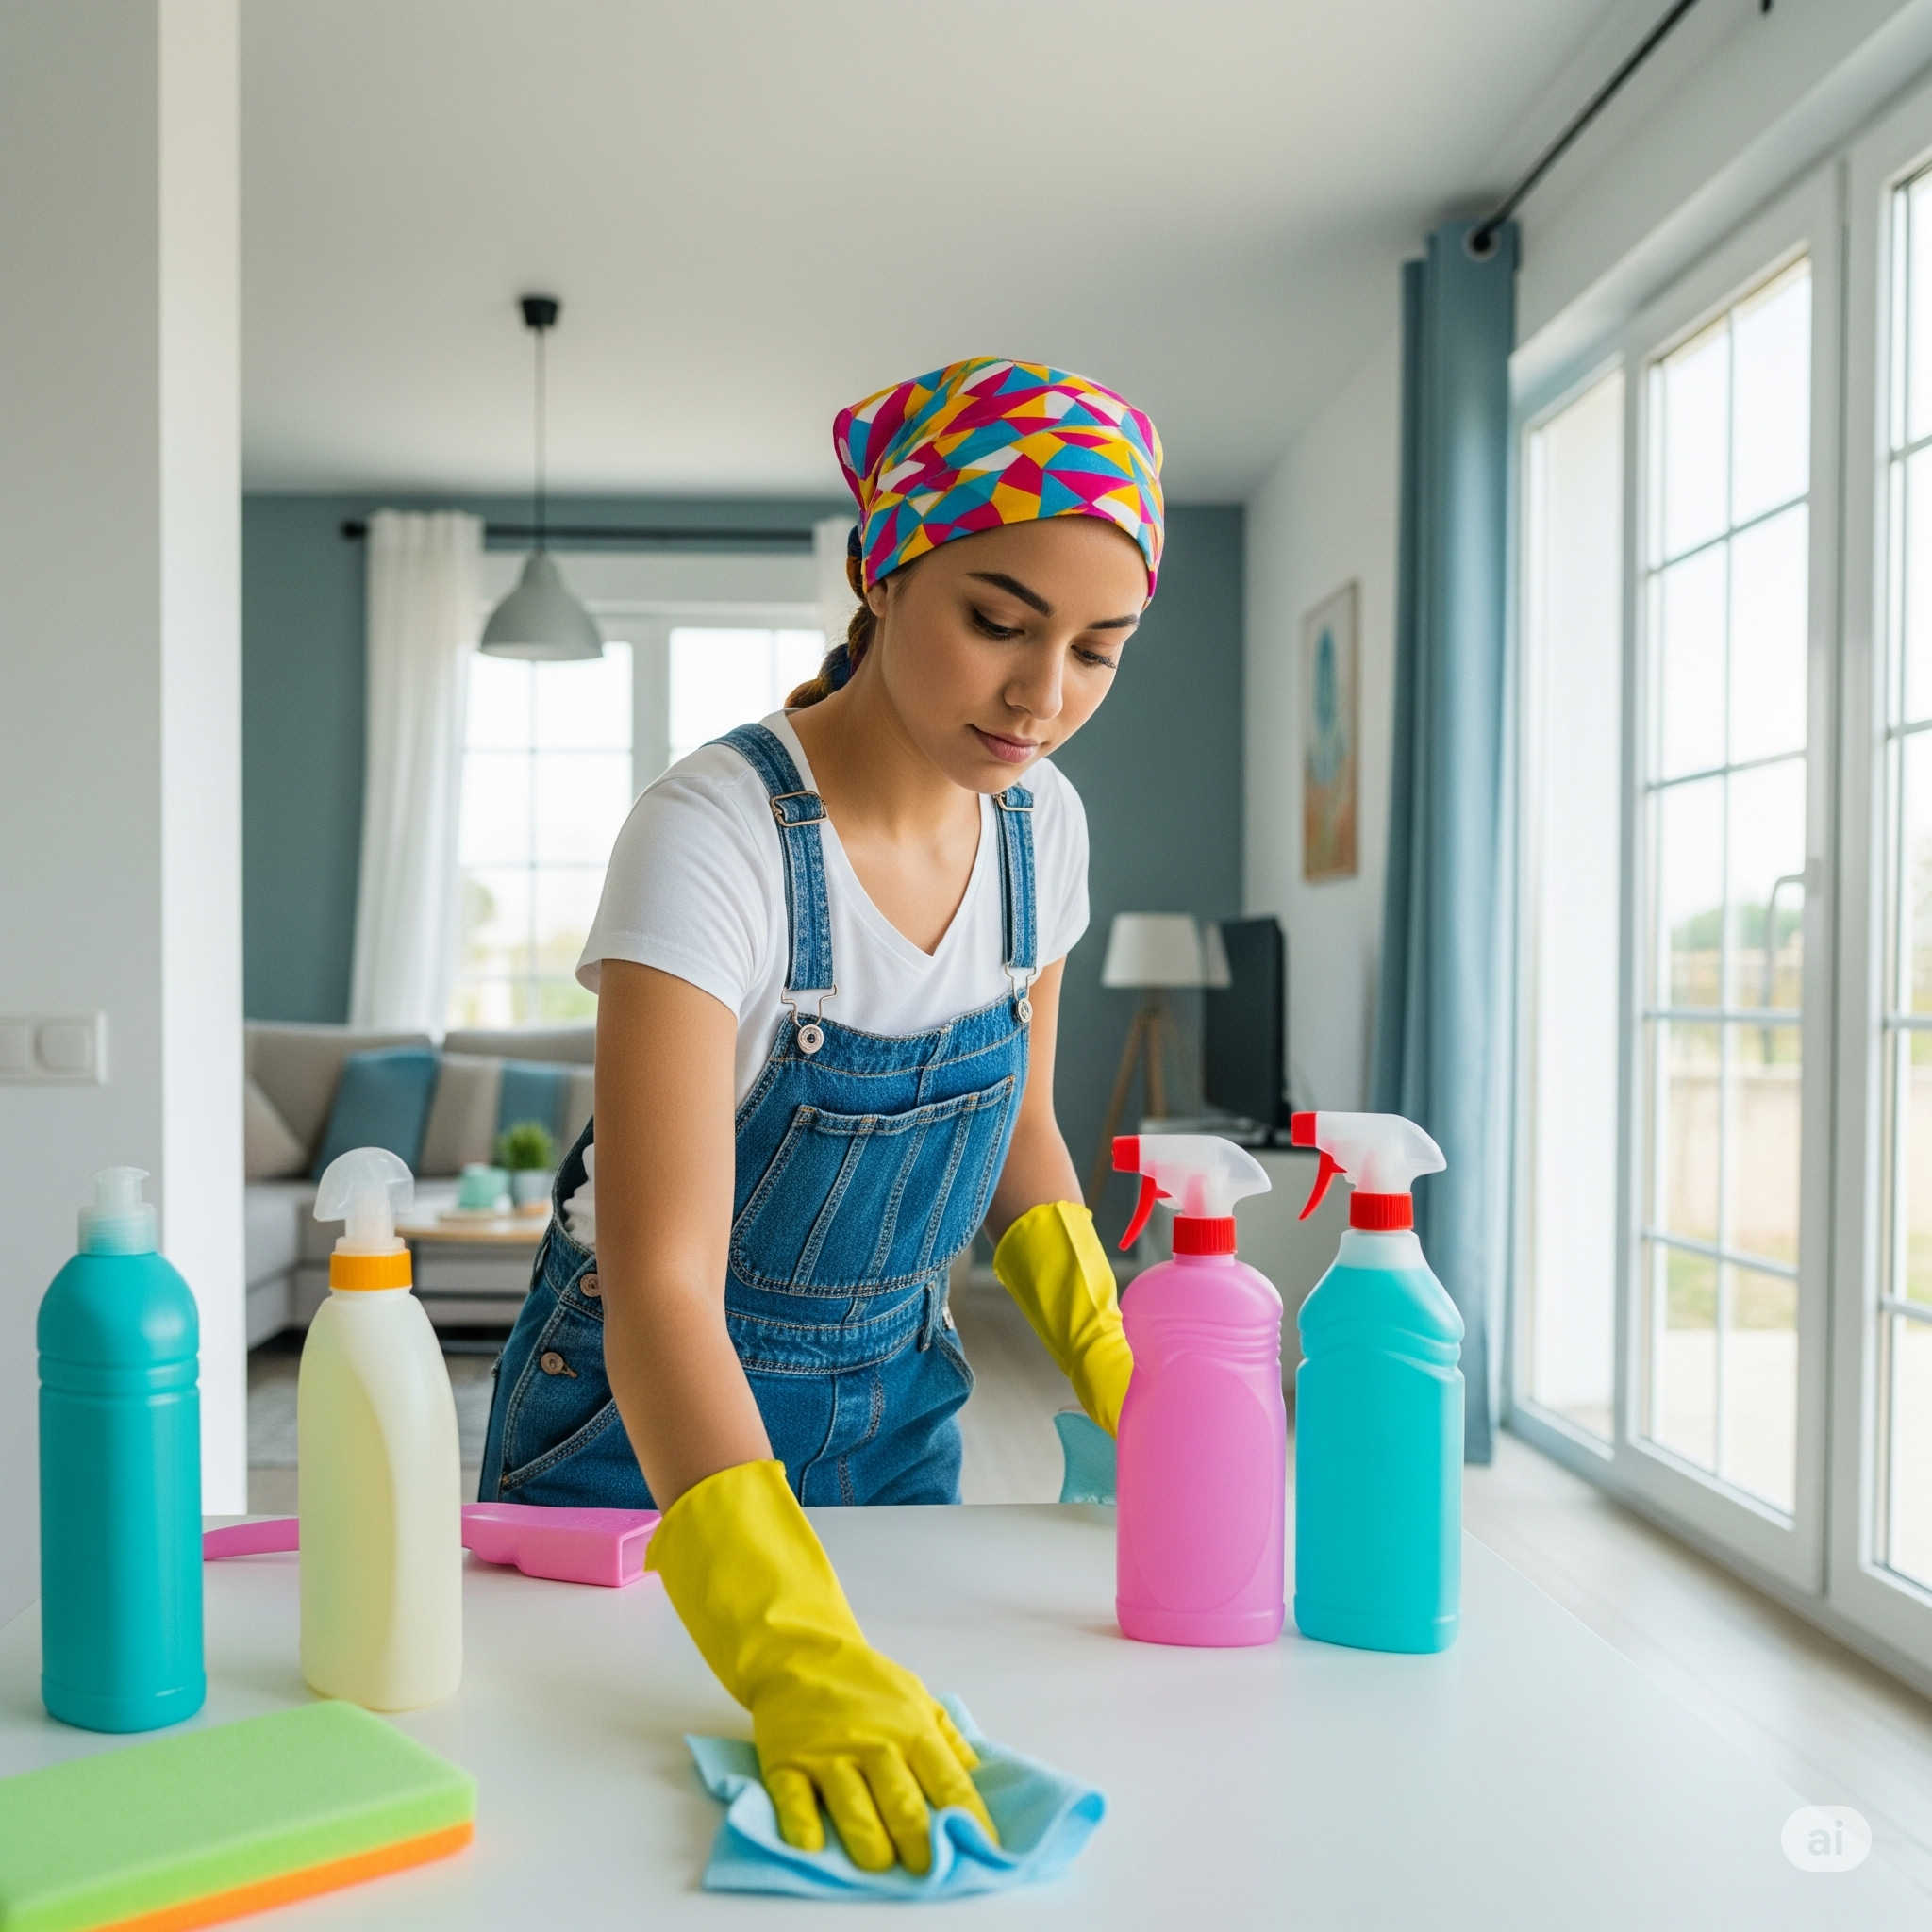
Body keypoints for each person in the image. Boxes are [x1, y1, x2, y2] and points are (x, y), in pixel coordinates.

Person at [479, 357, 1164, 1874]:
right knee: (578, 1853)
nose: (1043, 697)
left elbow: (1022, 1138)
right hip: (635, 1424)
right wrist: (785, 1649)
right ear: (880, 569)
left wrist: (1127, 1371)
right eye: (998, 620)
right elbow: (663, 1278)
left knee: (900, 1836)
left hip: (895, 1405)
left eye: (1099, 649)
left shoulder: (1043, 826)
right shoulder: (710, 838)